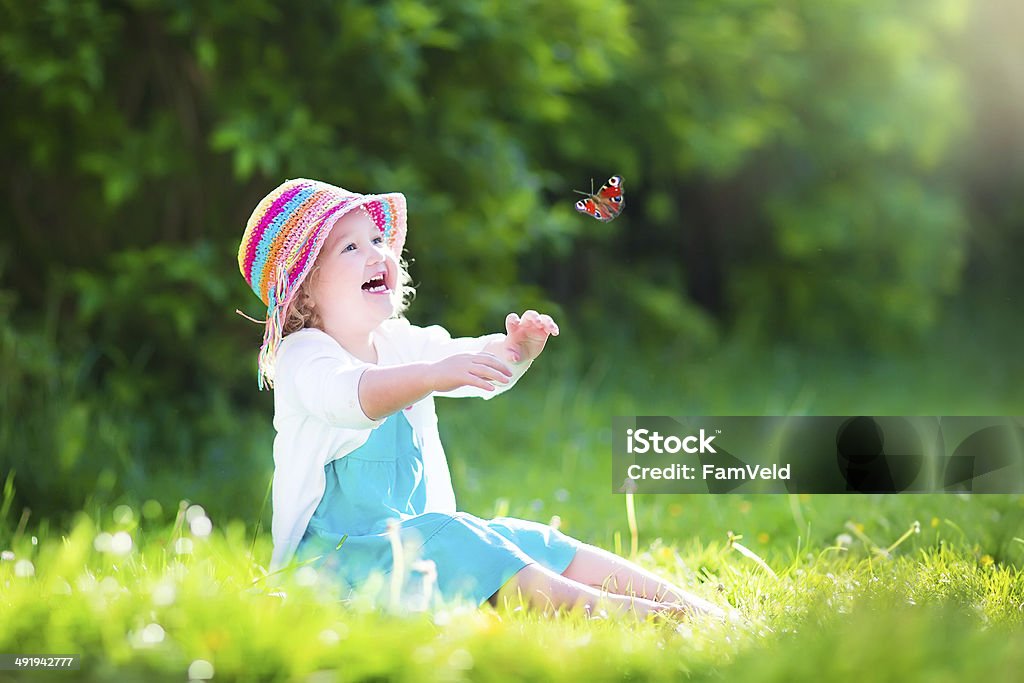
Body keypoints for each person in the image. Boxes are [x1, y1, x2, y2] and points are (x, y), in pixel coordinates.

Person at [237, 178, 724, 620]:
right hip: (335, 569)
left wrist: (514, 350)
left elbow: (466, 359)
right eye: (350, 247)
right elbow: (348, 396)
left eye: (377, 240)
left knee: (525, 537)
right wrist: (429, 376)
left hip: (411, 548)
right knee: (460, 537)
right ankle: (637, 618)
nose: (375, 254)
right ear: (303, 296)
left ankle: (695, 608)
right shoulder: (303, 356)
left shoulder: (398, 341)